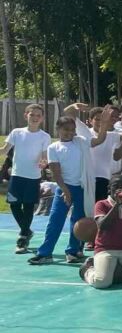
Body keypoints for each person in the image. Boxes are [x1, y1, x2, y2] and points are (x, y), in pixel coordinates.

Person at [29, 116, 102, 265]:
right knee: (55, 219)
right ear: (58, 129)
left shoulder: (81, 142)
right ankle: (45, 253)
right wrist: (65, 190)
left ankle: (73, 251)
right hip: (63, 188)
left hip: (82, 189)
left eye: (72, 129)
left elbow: (99, 140)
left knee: (78, 221)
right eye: (65, 129)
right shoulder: (53, 147)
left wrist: (105, 123)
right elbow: (56, 172)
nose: (69, 132)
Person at [1, 104, 54, 253]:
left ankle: (23, 238)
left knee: (29, 206)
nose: (35, 118)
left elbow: (45, 157)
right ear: (26, 116)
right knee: (14, 205)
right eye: (32, 115)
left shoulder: (45, 136)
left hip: (33, 177)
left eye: (38, 115)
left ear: (42, 118)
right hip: (17, 175)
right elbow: (4, 150)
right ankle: (27, 231)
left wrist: (44, 163)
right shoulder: (16, 132)